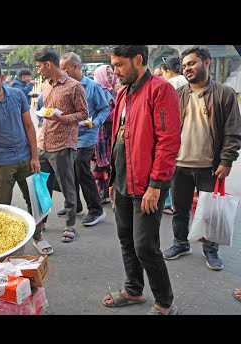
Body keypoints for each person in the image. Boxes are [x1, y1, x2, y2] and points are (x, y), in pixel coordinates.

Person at [101, 45, 181, 315]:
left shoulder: (161, 89)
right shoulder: (123, 92)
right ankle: (133, 290)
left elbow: (168, 142)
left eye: (120, 65)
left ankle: (165, 303)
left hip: (147, 186)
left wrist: (156, 185)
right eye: (113, 65)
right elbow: (118, 137)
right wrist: (113, 179)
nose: (115, 71)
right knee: (126, 239)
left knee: (145, 246)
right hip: (123, 181)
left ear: (138, 59)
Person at [162, 46, 241, 271]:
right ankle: (180, 243)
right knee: (180, 209)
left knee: (210, 212)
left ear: (207, 63)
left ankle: (211, 250)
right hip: (180, 165)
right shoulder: (179, 94)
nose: (187, 68)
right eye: (185, 65)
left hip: (210, 167)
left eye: (192, 63)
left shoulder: (224, 93)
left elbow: (233, 131)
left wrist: (227, 161)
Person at [0, 59, 47, 254]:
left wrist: (35, 157)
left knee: (33, 200)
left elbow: (29, 126)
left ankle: (37, 236)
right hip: (0, 162)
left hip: (24, 157)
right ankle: (6, 246)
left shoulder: (17, 95)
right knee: (3, 205)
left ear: (2, 79)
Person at [33, 47, 88, 244]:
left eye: (39, 67)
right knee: (42, 186)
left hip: (63, 143)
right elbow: (46, 112)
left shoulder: (74, 86)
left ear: (48, 64)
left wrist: (62, 118)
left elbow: (83, 114)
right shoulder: (46, 86)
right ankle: (41, 221)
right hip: (44, 142)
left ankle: (70, 224)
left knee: (67, 186)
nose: (38, 70)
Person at [58, 52, 109, 226]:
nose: (62, 72)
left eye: (64, 68)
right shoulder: (64, 86)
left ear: (75, 67)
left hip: (87, 135)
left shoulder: (93, 87)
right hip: (68, 136)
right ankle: (76, 206)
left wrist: (94, 123)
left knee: (82, 169)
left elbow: (104, 109)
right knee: (69, 171)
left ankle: (96, 210)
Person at [159, 56, 189, 215]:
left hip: (174, 130)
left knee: (170, 168)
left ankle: (168, 203)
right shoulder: (187, 81)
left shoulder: (170, 83)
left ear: (168, 71)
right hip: (187, 131)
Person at [93, 64, 117, 205]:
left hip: (110, 133)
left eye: (111, 73)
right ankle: (101, 194)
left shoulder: (111, 90)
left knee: (109, 164)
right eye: (107, 73)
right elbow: (106, 113)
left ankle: (106, 193)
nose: (110, 76)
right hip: (101, 134)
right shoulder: (99, 90)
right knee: (100, 166)